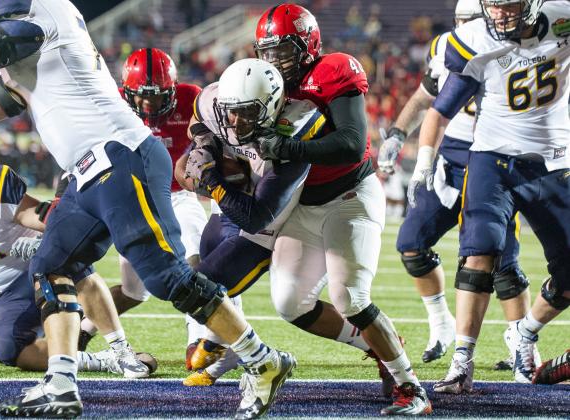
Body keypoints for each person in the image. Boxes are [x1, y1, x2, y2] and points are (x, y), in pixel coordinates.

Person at [0, 1, 295, 418]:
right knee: (52, 268)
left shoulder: (41, 18)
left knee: (165, 278)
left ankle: (263, 359)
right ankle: (60, 383)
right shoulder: (29, 40)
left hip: (119, 155)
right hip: (86, 172)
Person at [253, 4, 431, 415]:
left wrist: (290, 148)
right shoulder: (265, 81)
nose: (273, 60)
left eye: (283, 50)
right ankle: (378, 343)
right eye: (266, 51)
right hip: (303, 205)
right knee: (288, 302)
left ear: (308, 44)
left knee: (349, 296)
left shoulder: (331, 70)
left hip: (349, 197)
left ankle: (412, 389)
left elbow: (352, 142)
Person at [407, 0, 569, 392]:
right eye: (493, 6)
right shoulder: (474, 38)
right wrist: (424, 159)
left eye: (509, 5)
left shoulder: (562, 18)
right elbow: (439, 110)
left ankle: (526, 333)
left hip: (552, 160)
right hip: (492, 159)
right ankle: (462, 362)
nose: (500, 14)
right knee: (480, 249)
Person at [377, 0, 534, 368]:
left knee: (502, 264)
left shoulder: (508, 48)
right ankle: (441, 322)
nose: (463, 30)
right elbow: (424, 98)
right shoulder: (445, 46)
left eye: (470, 22)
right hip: (448, 163)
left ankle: (521, 343)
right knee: (411, 244)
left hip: (490, 162)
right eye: (459, 22)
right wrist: (399, 134)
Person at [0, 140, 151, 378]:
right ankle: (99, 361)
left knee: (67, 258)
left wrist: (46, 242)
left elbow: (41, 217)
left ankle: (122, 350)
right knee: (9, 347)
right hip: (6, 293)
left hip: (41, 262)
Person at [177, 58, 315, 386]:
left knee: (197, 287)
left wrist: (211, 179)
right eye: (231, 111)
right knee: (204, 286)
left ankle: (257, 356)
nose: (235, 121)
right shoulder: (216, 103)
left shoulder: (292, 132)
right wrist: (205, 146)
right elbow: (200, 119)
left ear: (269, 108)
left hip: (267, 225)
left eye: (247, 112)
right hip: (230, 209)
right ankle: (226, 351)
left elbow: (256, 218)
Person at [76, 48, 211, 354]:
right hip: (132, 200)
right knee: (134, 291)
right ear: (127, 92)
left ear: (174, 90)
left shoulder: (193, 99)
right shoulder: (109, 107)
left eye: (159, 96)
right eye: (142, 96)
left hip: (177, 194)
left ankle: (199, 340)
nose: (150, 104)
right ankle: (82, 331)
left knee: (195, 259)